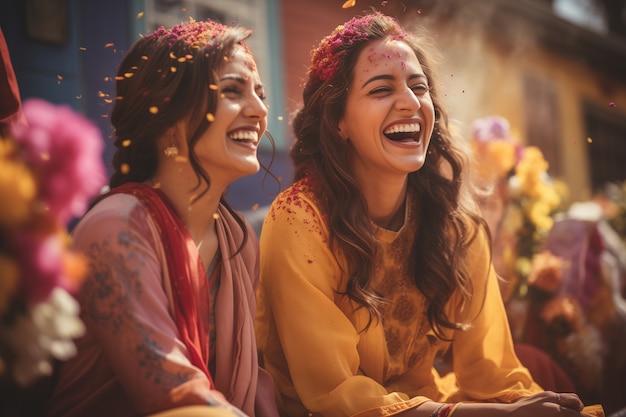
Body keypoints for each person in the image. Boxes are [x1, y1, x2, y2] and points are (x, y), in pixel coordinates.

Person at [255, 11, 603, 417]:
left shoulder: (455, 225)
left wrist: (534, 407)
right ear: (338, 121)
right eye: (381, 90)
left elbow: (493, 373)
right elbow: (334, 396)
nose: (410, 103)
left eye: (418, 87)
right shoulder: (300, 218)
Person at [44, 18, 279, 417]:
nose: (259, 110)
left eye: (259, 93)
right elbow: (173, 396)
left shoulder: (238, 239)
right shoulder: (117, 229)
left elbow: (252, 380)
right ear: (168, 115)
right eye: (233, 91)